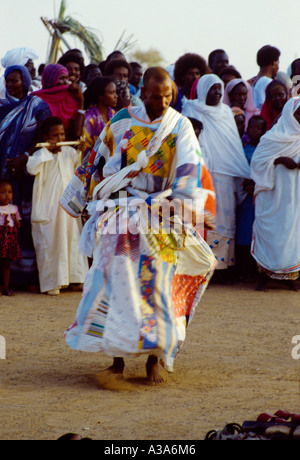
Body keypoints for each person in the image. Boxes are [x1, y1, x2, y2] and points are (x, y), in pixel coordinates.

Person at [62, 67, 216, 384]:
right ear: (142, 92)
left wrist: (182, 207)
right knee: (116, 285)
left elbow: (190, 170)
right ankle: (117, 362)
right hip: (121, 214)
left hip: (162, 216)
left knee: (158, 287)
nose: (162, 102)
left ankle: (155, 360)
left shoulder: (180, 126)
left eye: (168, 96)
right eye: (157, 96)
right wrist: (84, 199)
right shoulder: (121, 121)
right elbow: (95, 159)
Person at [182, 74, 251, 283]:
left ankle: (223, 268)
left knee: (225, 221)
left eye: (219, 89)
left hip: (225, 176)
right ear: (203, 90)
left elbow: (233, 147)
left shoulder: (226, 114)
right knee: (202, 220)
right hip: (202, 175)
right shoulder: (191, 110)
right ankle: (201, 267)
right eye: (213, 89)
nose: (217, 93)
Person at [0, 65, 51, 289]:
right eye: (8, 81)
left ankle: (27, 278)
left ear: (26, 81)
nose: (11, 84)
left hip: (26, 175)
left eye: (15, 81)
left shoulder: (37, 106)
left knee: (25, 225)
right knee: (4, 227)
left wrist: (24, 157)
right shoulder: (1, 107)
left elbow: (45, 136)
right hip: (3, 179)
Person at [26, 116, 89, 295]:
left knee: (72, 240)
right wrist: (48, 151)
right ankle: (53, 282)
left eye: (62, 134)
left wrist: (81, 151)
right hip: (49, 208)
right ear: (46, 137)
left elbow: (80, 167)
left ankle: (75, 279)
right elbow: (31, 168)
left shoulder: (69, 152)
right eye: (55, 135)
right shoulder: (41, 154)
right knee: (51, 243)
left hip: (68, 207)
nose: (60, 139)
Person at [250, 97, 300, 291]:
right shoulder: (271, 138)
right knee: (268, 232)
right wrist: (279, 160)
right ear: (289, 114)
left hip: (294, 198)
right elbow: (257, 163)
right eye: (298, 113)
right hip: (271, 195)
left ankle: (288, 275)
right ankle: (263, 276)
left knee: (291, 233)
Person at [235, 115, 267, 281]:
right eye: (252, 127)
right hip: (245, 197)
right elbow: (239, 168)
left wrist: (256, 184)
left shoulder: (266, 150)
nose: (255, 131)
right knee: (244, 230)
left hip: (260, 195)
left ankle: (257, 268)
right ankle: (243, 268)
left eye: (259, 128)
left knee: (258, 231)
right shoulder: (243, 149)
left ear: (264, 131)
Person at [31, 63, 84, 141]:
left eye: (67, 78)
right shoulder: (36, 100)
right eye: (62, 78)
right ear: (50, 80)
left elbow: (77, 133)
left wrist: (81, 100)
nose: (66, 82)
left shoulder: (71, 100)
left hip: (64, 148)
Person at [82, 76, 117, 158]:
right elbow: (87, 146)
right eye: (112, 93)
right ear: (100, 96)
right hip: (92, 162)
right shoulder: (89, 117)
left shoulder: (115, 114)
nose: (116, 96)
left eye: (115, 92)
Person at [0, 178, 22, 295]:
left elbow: (18, 224)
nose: (6, 195)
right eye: (3, 192)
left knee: (6, 263)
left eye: (9, 192)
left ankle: (6, 287)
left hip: (9, 240)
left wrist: (15, 220)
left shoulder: (14, 209)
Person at [249, 45, 281, 110]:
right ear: (273, 62)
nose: (278, 67)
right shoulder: (268, 82)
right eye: (278, 63)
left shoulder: (255, 82)